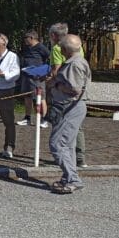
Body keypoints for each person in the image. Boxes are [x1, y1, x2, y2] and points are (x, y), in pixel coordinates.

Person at [47, 34, 90, 194]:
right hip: (71, 107)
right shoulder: (79, 61)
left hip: (69, 107)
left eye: (61, 47)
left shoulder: (74, 64)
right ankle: (68, 177)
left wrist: (55, 84)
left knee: (57, 144)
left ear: (65, 49)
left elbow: (74, 89)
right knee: (68, 145)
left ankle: (73, 180)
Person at [49, 23, 87, 168]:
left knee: (58, 136)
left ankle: (66, 163)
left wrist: (53, 83)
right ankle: (80, 158)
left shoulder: (58, 48)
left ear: (53, 35)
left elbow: (56, 70)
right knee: (77, 129)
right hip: (78, 100)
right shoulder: (77, 46)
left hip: (65, 97)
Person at [18, 29, 50, 128]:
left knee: (41, 97)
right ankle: (27, 118)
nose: (24, 40)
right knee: (27, 96)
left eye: (26, 38)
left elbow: (50, 59)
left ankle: (44, 119)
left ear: (31, 38)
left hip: (37, 77)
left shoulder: (41, 47)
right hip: (26, 76)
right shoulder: (27, 48)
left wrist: (44, 72)